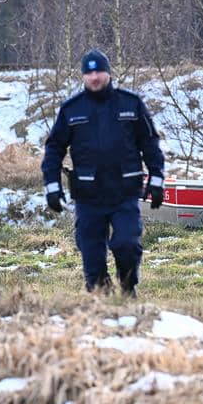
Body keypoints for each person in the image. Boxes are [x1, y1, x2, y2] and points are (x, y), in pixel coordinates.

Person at [41, 49, 164, 297]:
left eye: (99, 72)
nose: (95, 77)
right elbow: (54, 149)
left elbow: (149, 143)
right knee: (91, 251)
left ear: (109, 73)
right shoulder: (71, 110)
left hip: (124, 192)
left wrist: (157, 179)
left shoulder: (131, 104)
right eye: (89, 72)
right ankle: (101, 297)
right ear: (83, 76)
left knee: (126, 243)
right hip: (89, 196)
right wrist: (52, 186)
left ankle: (128, 288)